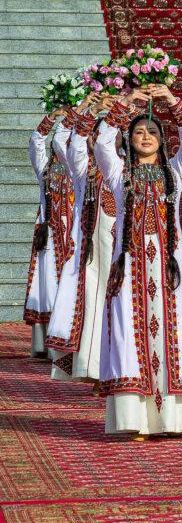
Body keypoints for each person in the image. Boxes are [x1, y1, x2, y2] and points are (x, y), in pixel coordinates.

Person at [95, 85, 182, 439]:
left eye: (151, 132)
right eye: (138, 132)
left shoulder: (174, 174)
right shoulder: (118, 175)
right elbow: (103, 143)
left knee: (174, 334)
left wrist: (171, 100)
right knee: (130, 336)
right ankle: (137, 419)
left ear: (163, 141)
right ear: (129, 140)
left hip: (168, 268)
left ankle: (179, 419)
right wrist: (126, 105)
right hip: (130, 267)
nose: (145, 137)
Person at [47, 92, 117, 388]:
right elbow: (70, 141)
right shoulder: (81, 169)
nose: (97, 141)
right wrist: (88, 109)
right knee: (92, 301)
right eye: (95, 135)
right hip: (91, 253)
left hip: (122, 247)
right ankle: (93, 368)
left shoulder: (122, 169)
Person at [26, 105, 75, 358]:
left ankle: (67, 342)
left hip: (75, 234)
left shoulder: (82, 167)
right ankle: (44, 344)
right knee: (46, 286)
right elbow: (36, 144)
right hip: (50, 236)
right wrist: (51, 119)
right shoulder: (45, 167)